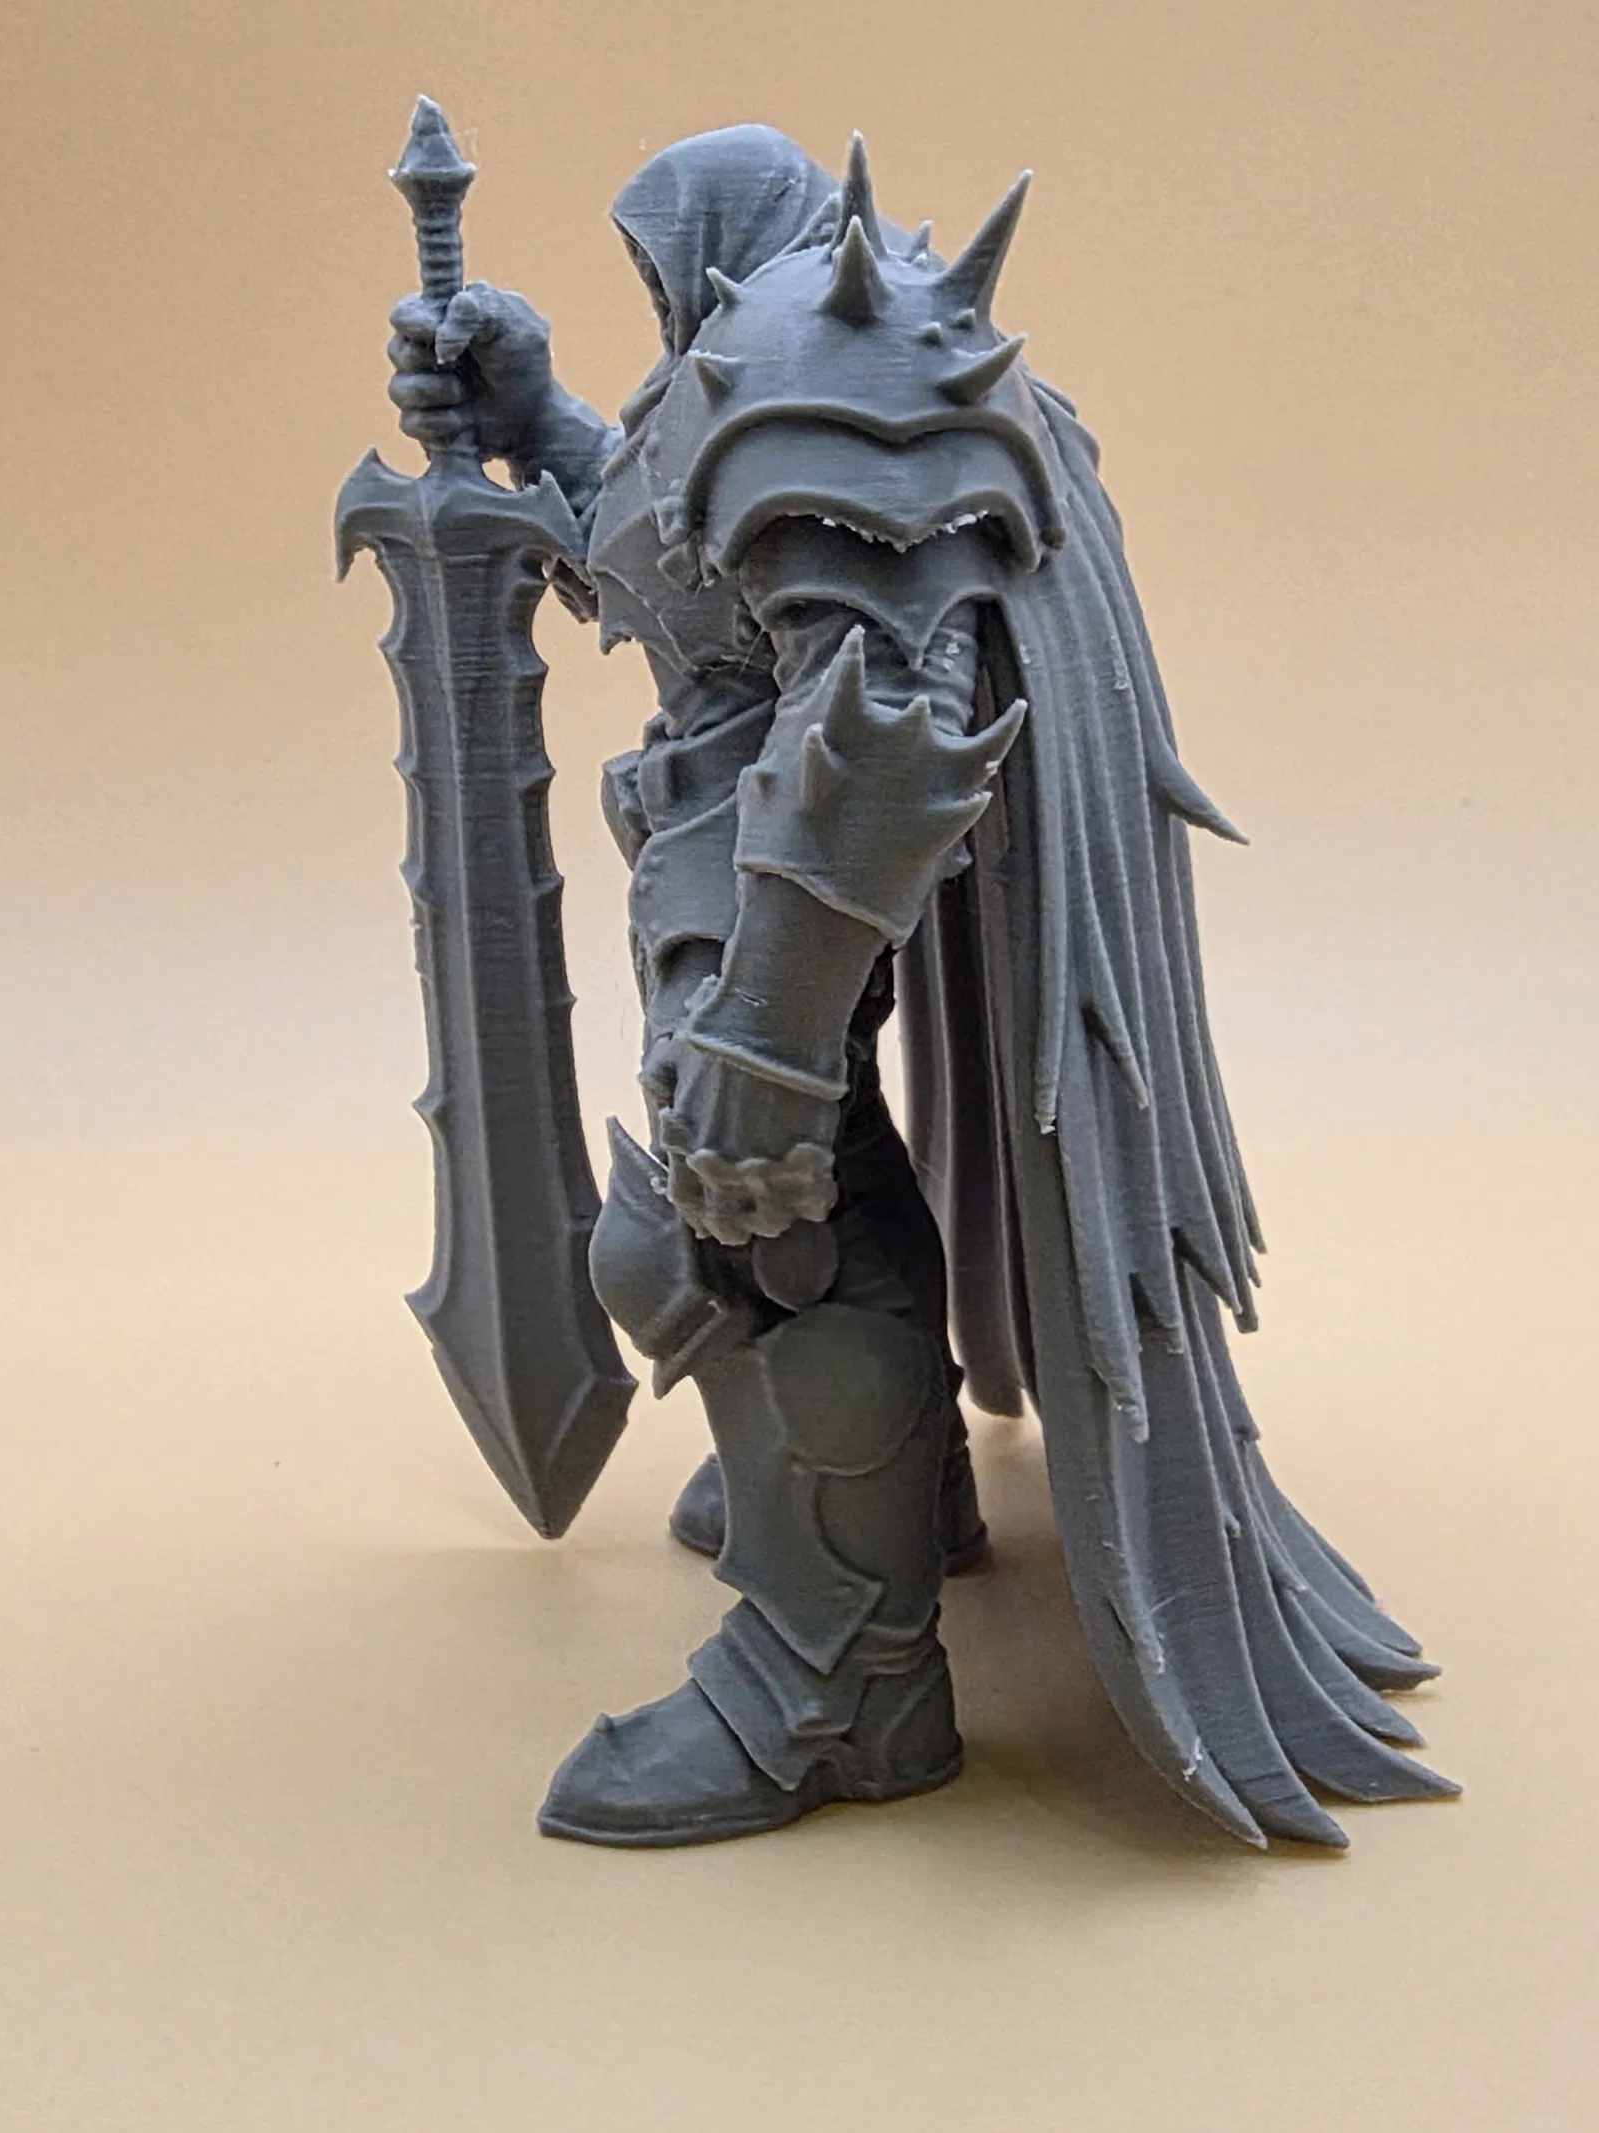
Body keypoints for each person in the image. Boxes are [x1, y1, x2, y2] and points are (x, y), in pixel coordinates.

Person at [386, 124, 1456, 1849]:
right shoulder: (787, 342)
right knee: (786, 1214)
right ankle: (886, 1499)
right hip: (744, 866)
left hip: (788, 890)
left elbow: (890, 715)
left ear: (694, 240)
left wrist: (766, 1040)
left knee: (749, 1234)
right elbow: (704, 593)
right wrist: (543, 421)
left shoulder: (823, 346)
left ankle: (838, 1686)